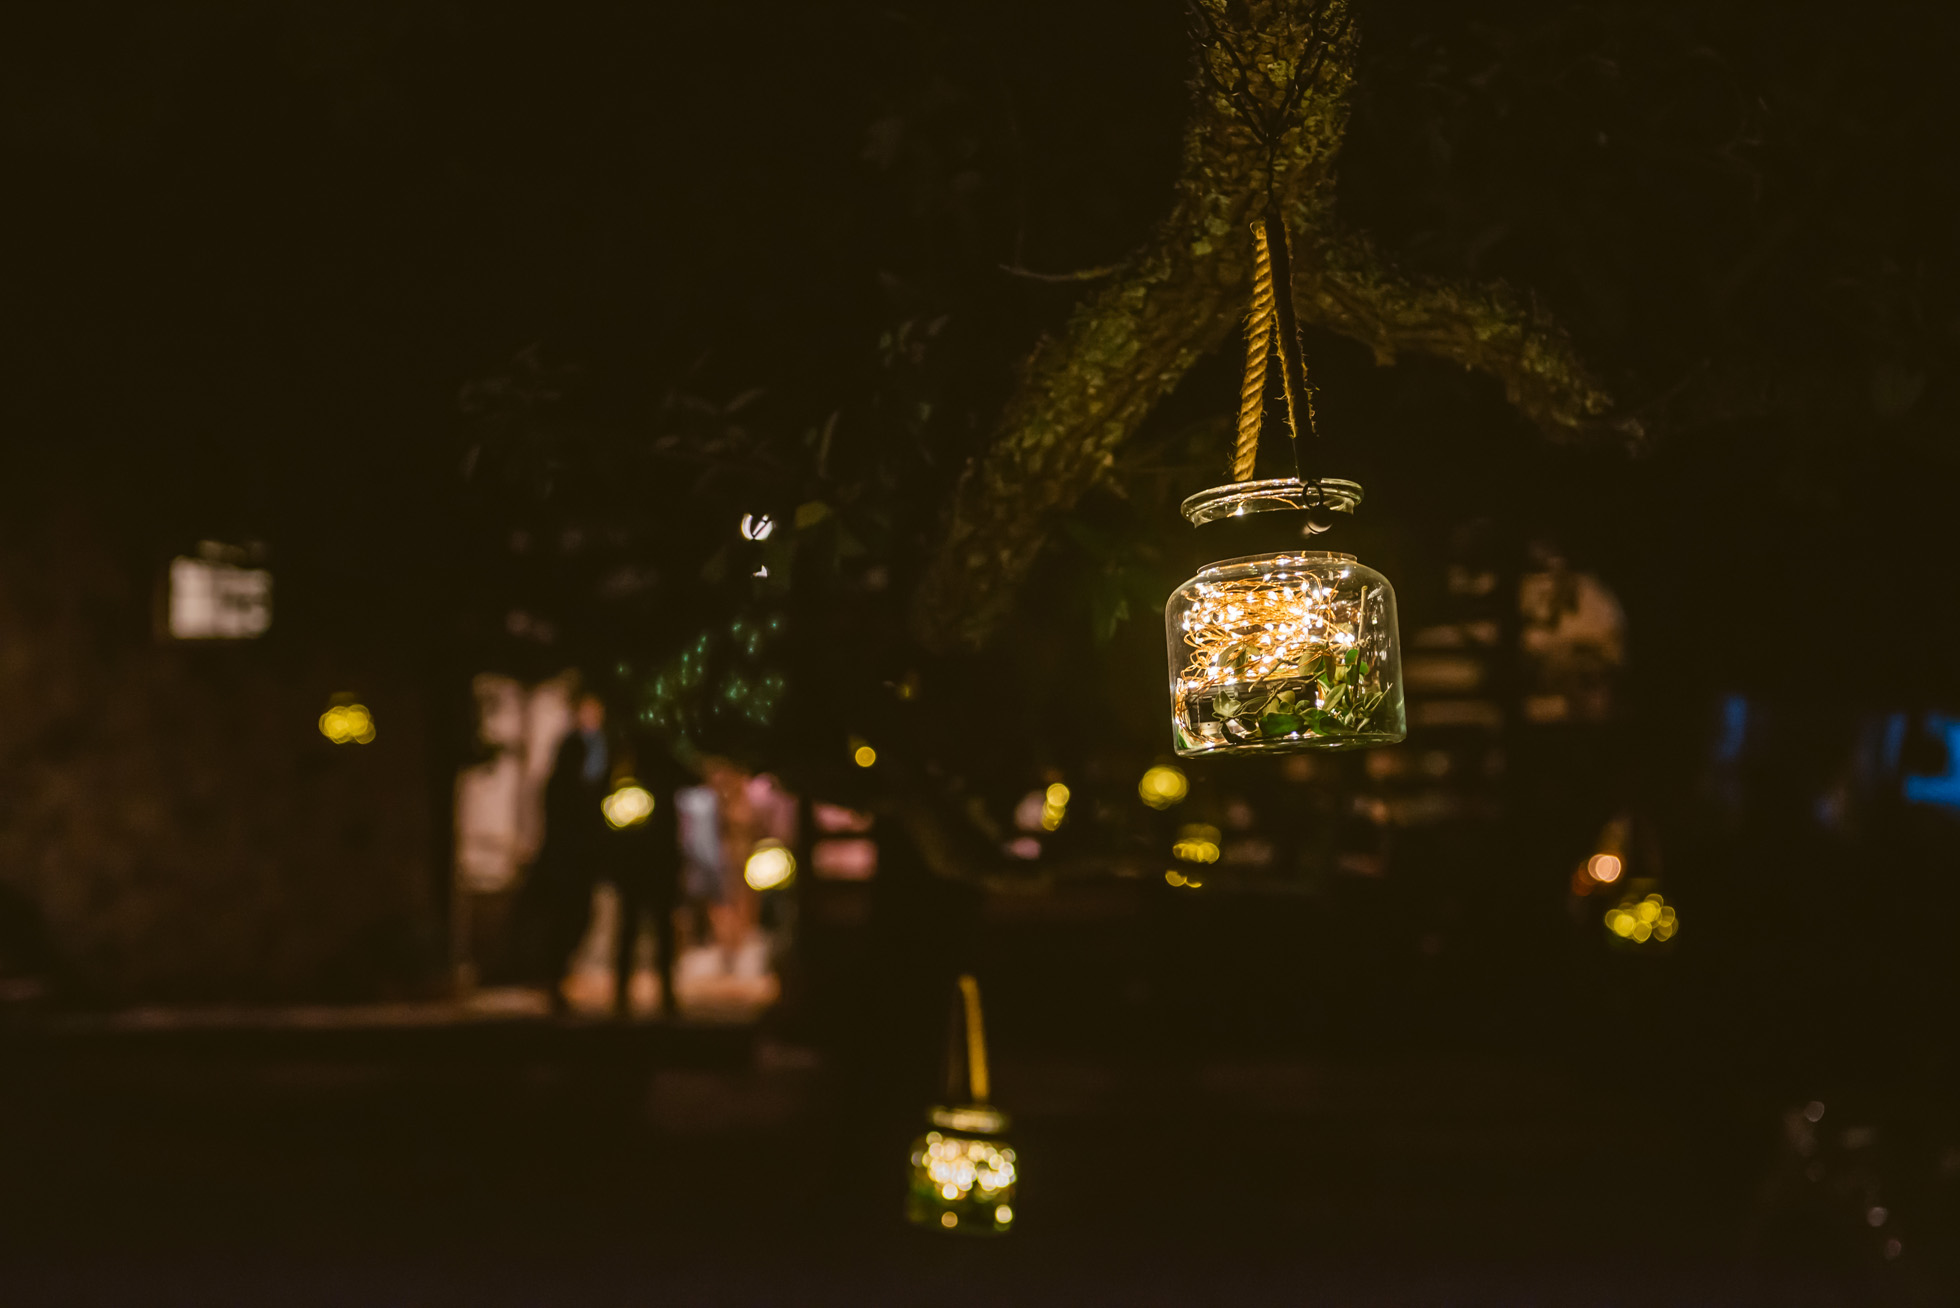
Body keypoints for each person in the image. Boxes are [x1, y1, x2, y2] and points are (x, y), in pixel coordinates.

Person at [528, 691, 612, 1013]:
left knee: (573, 921)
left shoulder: (566, 788)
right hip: (568, 866)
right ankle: (554, 981)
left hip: (571, 865)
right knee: (568, 921)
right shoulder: (567, 791)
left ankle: (556, 981)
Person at [609, 749, 690, 1020]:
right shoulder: (628, 781)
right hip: (646, 866)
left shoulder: (633, 778)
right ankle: (634, 995)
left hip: (648, 866)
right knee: (640, 929)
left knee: (642, 929)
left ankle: (645, 994)